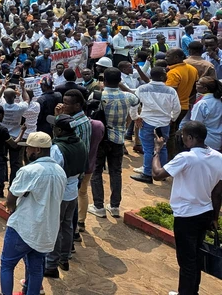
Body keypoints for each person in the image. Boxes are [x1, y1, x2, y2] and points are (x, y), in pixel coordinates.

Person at [152, 121, 222, 295]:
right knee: (195, 257)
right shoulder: (218, 157)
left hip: (186, 216)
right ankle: (192, 292)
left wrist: (157, 151)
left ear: (190, 137)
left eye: (184, 136)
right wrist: (214, 217)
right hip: (205, 213)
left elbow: (157, 175)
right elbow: (218, 193)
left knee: (186, 261)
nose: (182, 139)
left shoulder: (186, 157)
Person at [0, 131, 66, 295]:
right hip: (46, 231)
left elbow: (10, 199)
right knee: (36, 269)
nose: (26, 151)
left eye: (28, 148)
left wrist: (11, 207)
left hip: (24, 228)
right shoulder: (60, 171)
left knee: (7, 264)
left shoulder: (29, 171)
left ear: (36, 149)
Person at [88, 67, 139, 219]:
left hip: (101, 138)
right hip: (119, 139)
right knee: (116, 172)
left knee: (96, 171)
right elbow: (136, 100)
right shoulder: (128, 97)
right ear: (119, 81)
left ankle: (99, 206)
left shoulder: (98, 95)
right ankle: (115, 206)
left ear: (104, 81)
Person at [44, 114, 87, 279]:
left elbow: (52, 172)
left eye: (55, 126)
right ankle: (65, 257)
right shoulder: (80, 143)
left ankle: (51, 264)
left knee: (55, 227)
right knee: (67, 225)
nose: (53, 129)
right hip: (73, 191)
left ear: (60, 130)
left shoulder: (57, 149)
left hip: (60, 193)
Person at [130, 67, 182, 184]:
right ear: (163, 77)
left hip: (147, 122)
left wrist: (135, 117)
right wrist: (172, 118)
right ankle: (160, 173)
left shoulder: (142, 89)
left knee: (148, 149)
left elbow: (133, 104)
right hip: (163, 124)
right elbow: (177, 109)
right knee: (162, 148)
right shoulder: (171, 91)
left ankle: (147, 174)